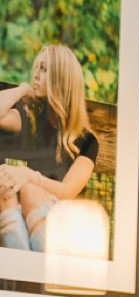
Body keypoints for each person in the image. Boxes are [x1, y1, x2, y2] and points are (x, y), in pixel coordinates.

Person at [0, 44, 99, 251]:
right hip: (23, 214)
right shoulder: (33, 119)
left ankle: (29, 275)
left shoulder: (87, 140)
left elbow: (68, 191)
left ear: (61, 78)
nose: (36, 75)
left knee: (28, 191)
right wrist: (22, 89)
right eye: (36, 68)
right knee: (6, 193)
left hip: (58, 224)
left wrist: (29, 176)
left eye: (44, 69)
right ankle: (24, 276)